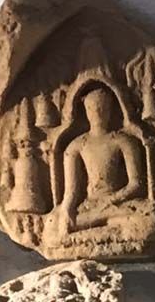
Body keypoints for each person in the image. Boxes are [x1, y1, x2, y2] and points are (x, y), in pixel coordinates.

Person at [58, 86, 147, 231]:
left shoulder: (123, 141)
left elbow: (136, 184)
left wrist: (111, 200)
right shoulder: (76, 146)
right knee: (57, 223)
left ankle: (102, 223)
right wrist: (66, 210)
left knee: (149, 219)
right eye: (92, 108)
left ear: (110, 110)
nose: (97, 113)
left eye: (102, 107)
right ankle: (109, 224)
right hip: (90, 206)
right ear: (86, 111)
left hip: (117, 203)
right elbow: (71, 192)